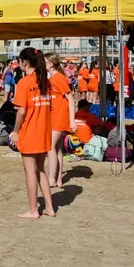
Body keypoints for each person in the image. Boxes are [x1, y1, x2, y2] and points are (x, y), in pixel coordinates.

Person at [9, 47, 55, 220]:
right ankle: (49, 207)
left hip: (30, 130)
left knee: (30, 171)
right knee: (40, 170)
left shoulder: (25, 82)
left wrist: (15, 131)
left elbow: (21, 111)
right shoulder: (45, 81)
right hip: (43, 130)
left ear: (25, 62)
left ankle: (33, 209)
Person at [45, 53, 76, 189]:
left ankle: (51, 179)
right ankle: (58, 179)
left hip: (59, 116)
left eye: (44, 61)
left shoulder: (59, 78)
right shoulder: (51, 79)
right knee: (56, 148)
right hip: (53, 116)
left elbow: (70, 98)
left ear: (51, 63)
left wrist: (72, 121)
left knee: (50, 146)